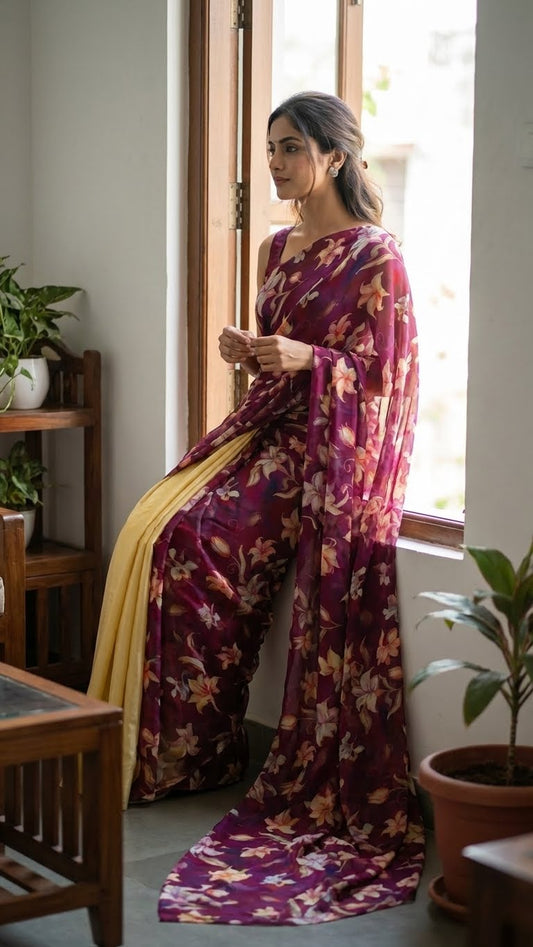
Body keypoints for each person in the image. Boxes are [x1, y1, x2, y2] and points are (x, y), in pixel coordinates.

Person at [89, 91, 424, 926]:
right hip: (269, 434)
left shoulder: (377, 256)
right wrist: (252, 352)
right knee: (154, 528)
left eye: (287, 148)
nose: (272, 162)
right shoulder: (279, 245)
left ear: (334, 157)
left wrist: (306, 357)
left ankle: (191, 751)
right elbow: (282, 363)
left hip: (323, 462)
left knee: (193, 539)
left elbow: (381, 379)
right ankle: (165, 749)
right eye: (268, 147)